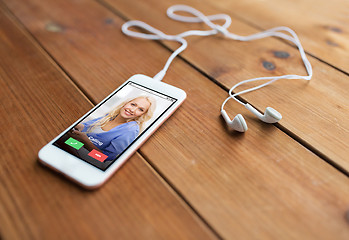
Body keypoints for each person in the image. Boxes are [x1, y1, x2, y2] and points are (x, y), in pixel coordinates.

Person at [70, 96, 156, 161]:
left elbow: (103, 158)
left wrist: (85, 141)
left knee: (64, 139)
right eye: (133, 104)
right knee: (63, 135)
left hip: (87, 157)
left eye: (140, 109)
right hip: (78, 146)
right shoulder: (111, 116)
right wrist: (76, 124)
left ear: (142, 114)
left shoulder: (131, 130)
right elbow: (84, 126)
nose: (132, 110)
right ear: (126, 103)